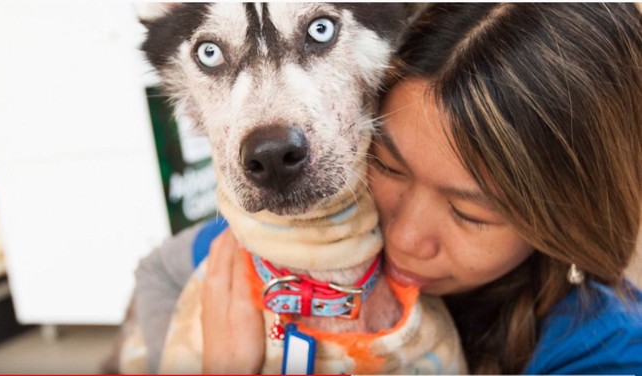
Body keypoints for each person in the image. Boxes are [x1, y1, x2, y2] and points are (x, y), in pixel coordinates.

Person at [134, 3, 642, 374]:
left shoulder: (603, 356)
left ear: (571, 213)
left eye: (469, 213)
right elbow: (160, 270)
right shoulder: (313, 237)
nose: (402, 238)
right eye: (389, 166)